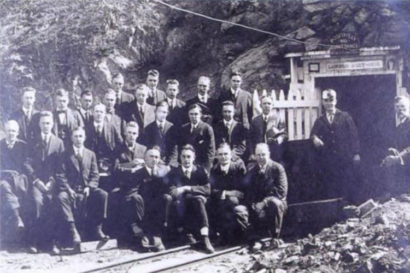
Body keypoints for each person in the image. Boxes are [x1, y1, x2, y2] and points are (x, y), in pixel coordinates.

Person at [56, 127, 109, 249]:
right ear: (71, 138)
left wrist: (89, 187)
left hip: (86, 189)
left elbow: (95, 174)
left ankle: (98, 228)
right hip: (71, 189)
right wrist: (68, 189)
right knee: (61, 197)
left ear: (84, 138)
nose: (78, 139)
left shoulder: (91, 154)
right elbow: (60, 174)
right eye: (75, 136)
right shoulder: (65, 154)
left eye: (80, 136)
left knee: (103, 194)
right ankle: (73, 230)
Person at [25, 111, 65, 254]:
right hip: (37, 183)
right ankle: (34, 241)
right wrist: (36, 180)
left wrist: (52, 181)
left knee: (55, 202)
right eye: (43, 123)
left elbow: (61, 166)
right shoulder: (32, 141)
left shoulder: (59, 143)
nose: (45, 126)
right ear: (39, 124)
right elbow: (27, 164)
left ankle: (54, 243)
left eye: (48, 123)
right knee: (37, 202)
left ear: (52, 124)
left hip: (52, 183)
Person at [310, 89, 360, 201]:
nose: (329, 103)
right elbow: (313, 134)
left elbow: (354, 135)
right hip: (328, 159)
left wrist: (356, 153)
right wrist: (314, 138)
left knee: (346, 182)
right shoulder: (320, 120)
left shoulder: (345, 116)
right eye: (326, 100)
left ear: (336, 101)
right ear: (322, 102)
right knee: (331, 184)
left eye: (331, 100)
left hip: (345, 158)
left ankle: (348, 207)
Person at [165, 144, 215, 253]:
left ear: (194, 157)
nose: (186, 160)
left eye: (189, 157)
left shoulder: (200, 170)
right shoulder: (174, 172)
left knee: (198, 200)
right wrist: (185, 193)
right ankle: (187, 234)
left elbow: (207, 189)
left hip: (198, 205)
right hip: (182, 205)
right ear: (180, 157)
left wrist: (187, 188)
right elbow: (172, 191)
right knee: (188, 201)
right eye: (183, 156)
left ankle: (205, 237)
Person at [243, 143, 288, 251]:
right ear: (254, 156)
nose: (261, 158)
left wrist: (264, 202)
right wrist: (255, 205)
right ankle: (257, 240)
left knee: (274, 204)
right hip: (258, 205)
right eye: (258, 155)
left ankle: (274, 238)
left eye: (263, 154)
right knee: (247, 207)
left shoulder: (277, 168)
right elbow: (250, 192)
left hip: (277, 203)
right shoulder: (252, 171)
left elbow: (282, 191)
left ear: (269, 154)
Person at [209, 143, 247, 245]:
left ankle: (232, 235)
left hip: (237, 200)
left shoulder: (238, 167)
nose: (223, 157)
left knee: (230, 202)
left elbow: (242, 189)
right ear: (217, 156)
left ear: (230, 155)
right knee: (211, 203)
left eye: (226, 154)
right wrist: (227, 192)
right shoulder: (214, 169)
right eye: (220, 154)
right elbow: (212, 190)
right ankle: (220, 235)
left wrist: (227, 194)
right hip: (222, 199)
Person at [84, 103, 123, 191]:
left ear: (105, 113)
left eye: (101, 112)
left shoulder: (111, 127)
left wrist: (114, 156)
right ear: (93, 113)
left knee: (109, 188)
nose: (99, 114)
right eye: (97, 111)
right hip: (92, 163)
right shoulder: (86, 128)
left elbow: (120, 143)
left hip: (109, 163)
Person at [0, 120, 29, 231]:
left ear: (17, 133)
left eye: (13, 131)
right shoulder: (0, 145)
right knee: (4, 186)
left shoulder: (23, 146)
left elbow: (26, 165)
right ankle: (17, 218)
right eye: (8, 131)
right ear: (4, 131)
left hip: (19, 179)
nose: (11, 133)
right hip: (4, 178)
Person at [380, 96, 410, 195]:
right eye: (397, 107)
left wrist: (397, 157)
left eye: (403, 106)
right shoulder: (399, 127)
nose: (400, 110)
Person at [179, 104, 215, 172]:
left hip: (202, 165)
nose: (193, 116)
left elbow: (211, 152)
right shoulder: (184, 128)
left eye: (196, 114)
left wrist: (206, 169)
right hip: (186, 164)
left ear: (200, 115)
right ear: (188, 115)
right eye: (191, 114)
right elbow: (181, 147)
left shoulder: (206, 128)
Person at [249, 96, 287, 163]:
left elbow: (284, 134)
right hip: (260, 154)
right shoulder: (255, 121)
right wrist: (252, 153)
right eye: (264, 103)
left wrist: (278, 139)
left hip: (274, 152)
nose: (267, 106)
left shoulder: (278, 119)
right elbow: (250, 139)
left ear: (272, 105)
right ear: (261, 105)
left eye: (269, 103)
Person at [141, 101, 178, 166]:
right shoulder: (148, 129)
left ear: (167, 113)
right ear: (155, 112)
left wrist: (169, 165)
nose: (162, 114)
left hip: (169, 163)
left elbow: (174, 149)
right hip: (154, 162)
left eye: (164, 112)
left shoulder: (172, 128)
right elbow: (147, 149)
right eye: (159, 112)